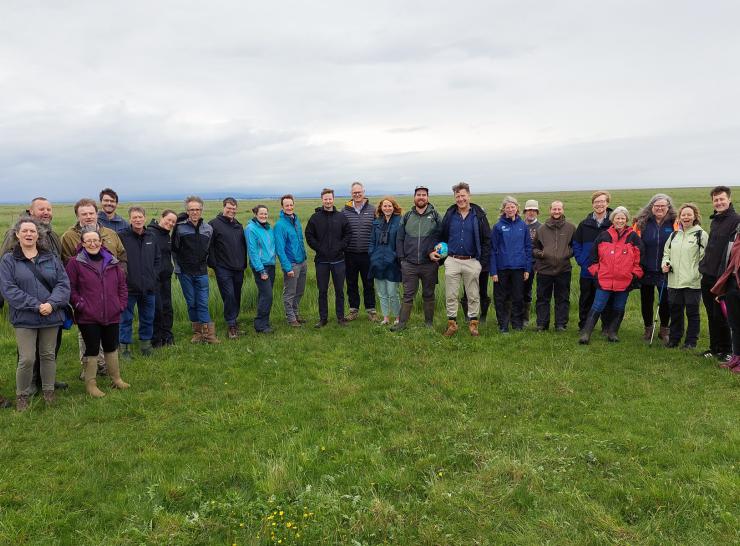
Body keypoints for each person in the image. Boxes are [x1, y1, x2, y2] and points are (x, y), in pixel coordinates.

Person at [0, 217, 70, 410]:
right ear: (17, 235)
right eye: (25, 231)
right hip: (25, 317)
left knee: (48, 355)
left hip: (51, 315)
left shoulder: (50, 258)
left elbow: (63, 284)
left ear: (38, 235)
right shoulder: (9, 260)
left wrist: (52, 303)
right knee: (27, 358)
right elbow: (9, 289)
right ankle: (22, 395)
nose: (29, 234)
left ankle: (48, 391)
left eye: (32, 231)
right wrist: (37, 305)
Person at [61, 198, 127, 376]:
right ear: (77, 215)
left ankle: (107, 368)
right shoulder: (69, 236)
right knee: (87, 337)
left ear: (96, 213)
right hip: (86, 298)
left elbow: (121, 257)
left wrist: (119, 297)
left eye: (91, 213)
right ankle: (89, 369)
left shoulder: (110, 234)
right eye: (84, 214)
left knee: (109, 337)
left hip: (109, 295)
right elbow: (66, 264)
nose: (88, 216)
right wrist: (78, 302)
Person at [66, 226, 130, 397]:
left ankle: (116, 379)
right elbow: (70, 289)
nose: (93, 243)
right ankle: (91, 384)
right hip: (88, 316)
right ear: (83, 243)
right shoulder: (75, 263)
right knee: (92, 349)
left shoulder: (112, 261)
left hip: (112, 313)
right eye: (89, 241)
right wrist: (80, 305)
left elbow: (122, 286)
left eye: (96, 240)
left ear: (101, 242)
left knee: (111, 346)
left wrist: (120, 304)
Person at [578, 207, 643, 344]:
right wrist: (596, 272)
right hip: (604, 280)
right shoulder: (603, 236)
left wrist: (634, 275)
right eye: (617, 218)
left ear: (627, 220)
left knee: (619, 307)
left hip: (624, 281)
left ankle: (612, 332)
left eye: (623, 218)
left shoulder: (633, 237)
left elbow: (640, 259)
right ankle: (586, 334)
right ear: (612, 220)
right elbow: (593, 257)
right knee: (597, 306)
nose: (620, 221)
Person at [440, 182, 491, 337]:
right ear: (455, 198)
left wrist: (480, 263)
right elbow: (442, 236)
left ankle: (473, 325)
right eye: (457, 196)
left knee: (473, 295)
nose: (460, 199)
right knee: (451, 295)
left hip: (472, 261)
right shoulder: (450, 215)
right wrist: (443, 258)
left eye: (463, 195)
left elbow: (487, 240)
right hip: (452, 260)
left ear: (469, 195)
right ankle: (452, 324)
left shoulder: (479, 215)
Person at [392, 185, 442, 331]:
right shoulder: (407, 216)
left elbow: (442, 237)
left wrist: (438, 259)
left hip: (429, 264)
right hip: (409, 264)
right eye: (418, 194)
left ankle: (429, 324)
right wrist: (402, 259)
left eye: (424, 195)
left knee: (429, 294)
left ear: (428, 198)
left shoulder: (435, 216)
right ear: (414, 198)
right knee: (407, 295)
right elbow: (399, 239)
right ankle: (401, 324)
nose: (421, 197)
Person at [699, 186, 740, 362]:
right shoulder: (715, 220)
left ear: (729, 200)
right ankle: (715, 348)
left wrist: (725, 276)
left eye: (722, 199)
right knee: (711, 314)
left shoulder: (736, 221)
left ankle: (728, 350)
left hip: (722, 277)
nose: (719, 202)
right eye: (716, 200)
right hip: (707, 275)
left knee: (723, 315)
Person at [172, 195, 220, 344]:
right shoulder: (179, 228)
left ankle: (209, 335)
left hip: (201, 272)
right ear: (187, 211)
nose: (194, 212)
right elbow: (174, 249)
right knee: (191, 302)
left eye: (197, 209)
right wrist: (178, 268)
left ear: (202, 210)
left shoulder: (208, 229)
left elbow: (210, 249)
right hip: (185, 272)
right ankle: (198, 333)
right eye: (191, 210)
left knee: (203, 302)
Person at [661, 204, 707, 349]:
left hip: (692, 282)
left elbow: (704, 258)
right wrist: (665, 264)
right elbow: (666, 254)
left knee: (692, 313)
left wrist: (696, 274)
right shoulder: (674, 235)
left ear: (695, 216)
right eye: (683, 215)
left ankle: (691, 342)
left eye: (689, 214)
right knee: (675, 312)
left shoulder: (701, 235)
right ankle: (674, 339)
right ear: (679, 217)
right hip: (674, 281)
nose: (686, 217)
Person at [633, 194, 677, 342]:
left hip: (665, 269)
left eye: (663, 206)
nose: (659, 208)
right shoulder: (642, 223)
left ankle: (664, 330)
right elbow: (634, 244)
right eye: (656, 205)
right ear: (651, 207)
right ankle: (648, 329)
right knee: (646, 300)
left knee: (665, 301)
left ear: (668, 207)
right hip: (645, 268)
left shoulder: (675, 223)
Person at [118, 207, 160, 359]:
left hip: (149, 287)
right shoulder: (122, 236)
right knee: (126, 319)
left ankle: (146, 345)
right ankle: (125, 349)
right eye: (134, 217)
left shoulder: (151, 236)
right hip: (128, 287)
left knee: (148, 317)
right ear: (129, 219)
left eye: (140, 217)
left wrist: (153, 276)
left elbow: (157, 259)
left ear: (145, 218)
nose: (137, 220)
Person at [305, 188, 351, 327]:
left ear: (333, 199)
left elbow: (348, 234)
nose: (328, 201)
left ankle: (341, 318)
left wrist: (340, 247)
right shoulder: (315, 218)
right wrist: (319, 248)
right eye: (325, 199)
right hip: (322, 261)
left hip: (339, 260)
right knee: (322, 291)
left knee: (339, 291)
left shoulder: (341, 217)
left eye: (330, 198)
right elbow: (309, 235)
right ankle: (323, 319)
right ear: (322, 200)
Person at [489, 196, 532, 332]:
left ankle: (517, 324)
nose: (510, 209)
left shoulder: (523, 226)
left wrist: (527, 268)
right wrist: (494, 271)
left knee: (518, 297)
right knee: (502, 298)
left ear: (517, 208)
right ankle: (503, 325)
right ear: (504, 209)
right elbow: (493, 249)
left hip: (519, 268)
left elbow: (528, 248)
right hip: (502, 268)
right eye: (508, 207)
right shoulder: (498, 227)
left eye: (513, 207)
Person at [573, 191, 614, 331]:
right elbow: (576, 244)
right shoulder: (584, 224)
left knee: (606, 299)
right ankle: (584, 326)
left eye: (602, 201)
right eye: (596, 202)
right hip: (587, 269)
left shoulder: (613, 224)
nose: (599, 204)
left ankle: (606, 327)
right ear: (592, 204)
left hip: (607, 270)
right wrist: (581, 260)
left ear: (607, 203)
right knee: (586, 298)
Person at [208, 197, 248, 339]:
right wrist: (214, 265)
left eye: (233, 208)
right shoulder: (213, 224)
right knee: (229, 295)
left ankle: (234, 322)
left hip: (239, 268)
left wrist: (244, 263)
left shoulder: (238, 225)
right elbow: (209, 247)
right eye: (229, 208)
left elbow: (243, 246)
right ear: (223, 208)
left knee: (236, 295)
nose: (231, 211)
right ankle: (231, 325)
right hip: (223, 268)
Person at [532, 201, 575, 331]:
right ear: (550, 210)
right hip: (544, 270)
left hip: (564, 269)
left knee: (562, 298)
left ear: (563, 210)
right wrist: (542, 254)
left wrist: (567, 253)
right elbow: (534, 248)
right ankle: (542, 324)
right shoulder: (542, 229)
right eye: (554, 209)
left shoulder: (571, 228)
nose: (557, 212)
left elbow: (575, 246)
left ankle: (561, 324)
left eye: (559, 209)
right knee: (542, 298)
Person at [342, 182, 377, 321]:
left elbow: (377, 231)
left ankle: (371, 310)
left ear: (364, 192)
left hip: (367, 254)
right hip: (349, 254)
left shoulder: (373, 210)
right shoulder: (344, 211)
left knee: (368, 283)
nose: (357, 194)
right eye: (354, 192)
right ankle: (353, 310)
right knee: (351, 283)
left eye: (359, 192)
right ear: (351, 194)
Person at [274, 194, 308, 327]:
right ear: (282, 207)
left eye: (291, 204)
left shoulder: (296, 220)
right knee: (290, 292)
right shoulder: (280, 225)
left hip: (302, 262)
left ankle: (295, 313)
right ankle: (291, 318)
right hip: (292, 264)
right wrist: (287, 267)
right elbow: (280, 249)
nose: (289, 207)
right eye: (286, 205)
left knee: (300, 291)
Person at [368, 197, 403, 325]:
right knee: (382, 292)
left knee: (393, 292)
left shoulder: (399, 222)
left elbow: (401, 242)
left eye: (389, 206)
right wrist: (372, 255)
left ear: (394, 207)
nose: (387, 208)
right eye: (385, 206)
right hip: (377, 262)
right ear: (381, 208)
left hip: (392, 263)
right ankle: (386, 317)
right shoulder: (376, 223)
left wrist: (395, 255)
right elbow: (371, 241)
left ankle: (398, 317)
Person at [711, 224, 740, 373]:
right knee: (735, 324)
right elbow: (729, 264)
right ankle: (736, 357)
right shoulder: (736, 238)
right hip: (732, 284)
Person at [148, 209, 177, 347]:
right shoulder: (150, 233)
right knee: (157, 308)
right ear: (162, 217)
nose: (170, 223)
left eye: (173, 221)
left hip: (166, 276)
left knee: (167, 307)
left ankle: (167, 335)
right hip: (154, 278)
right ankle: (156, 338)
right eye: (168, 220)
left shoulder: (166, 235)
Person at [245, 205, 277, 333]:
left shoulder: (269, 228)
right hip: (261, 267)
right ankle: (260, 325)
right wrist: (261, 270)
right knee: (267, 295)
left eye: (265, 213)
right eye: (261, 213)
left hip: (271, 265)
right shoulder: (250, 229)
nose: (264, 216)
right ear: (255, 214)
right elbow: (252, 251)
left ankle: (264, 322)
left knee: (264, 295)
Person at [522, 199, 541, 326]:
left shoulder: (541, 227)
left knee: (527, 290)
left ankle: (525, 319)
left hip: (533, 265)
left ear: (537, 213)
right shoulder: (519, 225)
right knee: (516, 290)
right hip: (518, 263)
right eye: (529, 210)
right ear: (525, 212)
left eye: (534, 210)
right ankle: (514, 316)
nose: (531, 213)